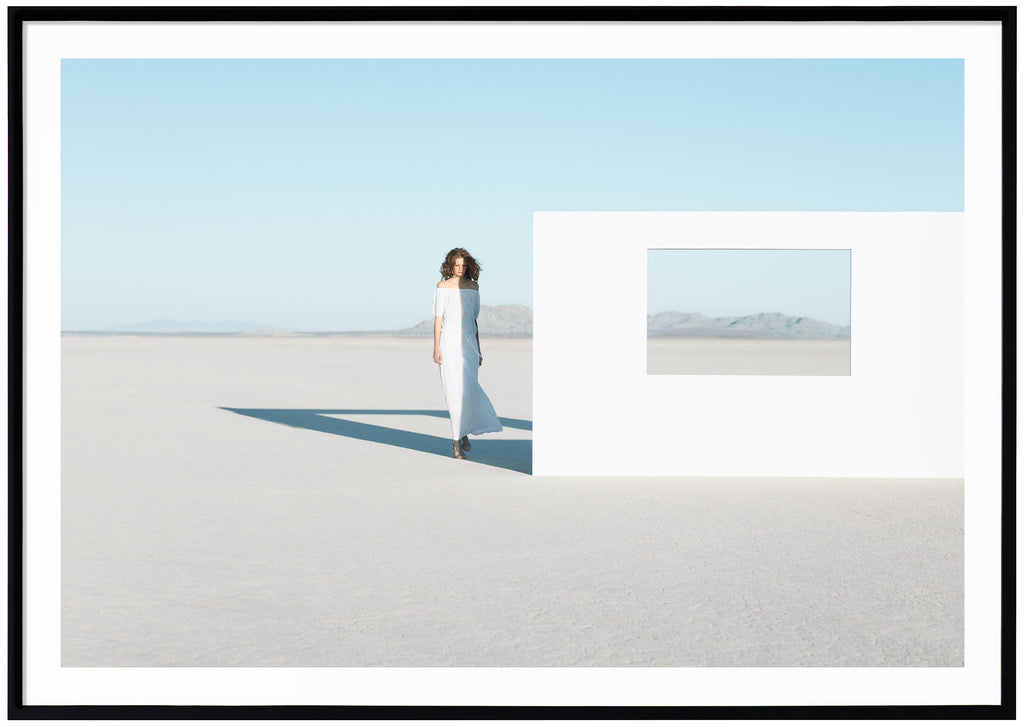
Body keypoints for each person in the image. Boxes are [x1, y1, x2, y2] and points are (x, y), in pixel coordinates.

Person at [433, 248, 502, 459]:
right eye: (456, 265)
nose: (460, 269)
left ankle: (463, 433)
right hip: (449, 343)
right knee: (453, 392)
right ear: (450, 265)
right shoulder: (442, 287)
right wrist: (436, 348)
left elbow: (473, 320)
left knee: (469, 391)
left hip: (469, 343)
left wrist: (479, 350)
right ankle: (456, 441)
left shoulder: (473, 287)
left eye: (463, 265)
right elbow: (439, 319)